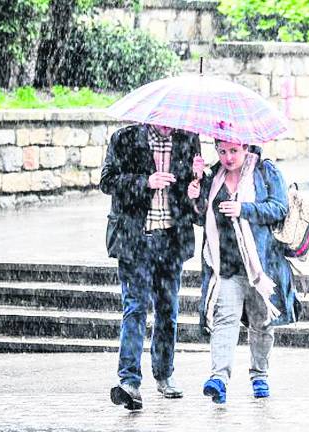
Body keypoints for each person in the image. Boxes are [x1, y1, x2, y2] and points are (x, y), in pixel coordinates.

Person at [188, 139, 299, 404]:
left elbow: (279, 208)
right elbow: (201, 218)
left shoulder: (265, 171)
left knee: (261, 322)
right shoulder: (213, 176)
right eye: (222, 151)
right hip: (226, 265)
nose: (228, 157)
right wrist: (194, 196)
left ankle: (259, 374)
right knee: (224, 319)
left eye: (234, 151)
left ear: (245, 148)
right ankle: (219, 379)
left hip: (261, 265)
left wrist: (244, 210)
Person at [101, 123, 201, 411]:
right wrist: (145, 181)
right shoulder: (125, 138)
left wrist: (197, 183)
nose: (167, 122)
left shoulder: (188, 139)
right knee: (135, 307)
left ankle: (164, 374)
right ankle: (129, 382)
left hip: (171, 240)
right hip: (135, 239)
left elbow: (194, 202)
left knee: (168, 310)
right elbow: (107, 180)